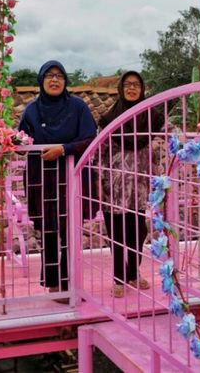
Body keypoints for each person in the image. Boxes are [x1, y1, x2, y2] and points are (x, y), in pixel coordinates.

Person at [18, 60, 97, 302]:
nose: (54, 80)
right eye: (49, 76)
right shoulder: (32, 110)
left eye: (59, 76)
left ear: (65, 81)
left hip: (70, 177)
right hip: (42, 178)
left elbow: (89, 138)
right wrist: (13, 141)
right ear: (41, 80)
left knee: (70, 230)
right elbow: (23, 141)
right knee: (50, 231)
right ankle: (54, 283)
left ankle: (71, 282)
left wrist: (63, 149)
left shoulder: (77, 107)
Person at [98, 71, 164, 298]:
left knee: (138, 230)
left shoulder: (152, 118)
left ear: (143, 89)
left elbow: (168, 137)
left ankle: (132, 273)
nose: (132, 88)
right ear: (121, 88)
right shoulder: (109, 119)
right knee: (116, 232)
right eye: (127, 85)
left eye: (136, 84)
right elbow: (100, 152)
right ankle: (118, 278)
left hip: (139, 185)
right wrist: (100, 180)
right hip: (113, 186)